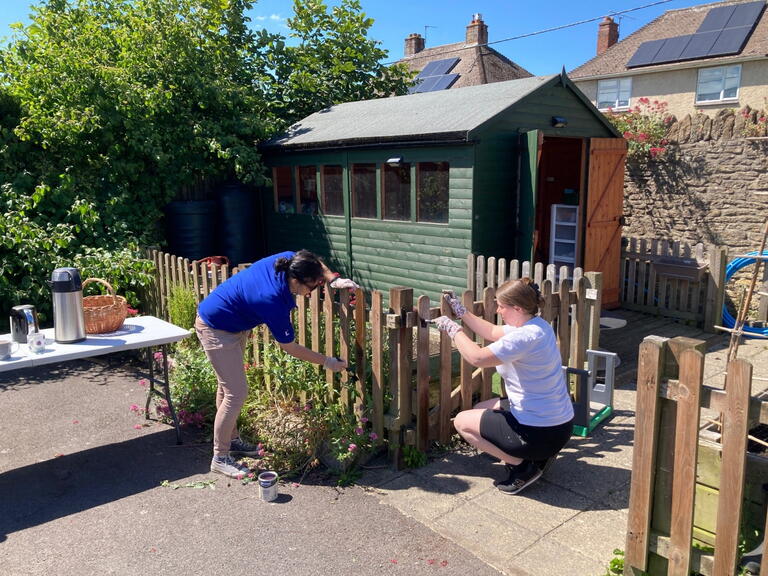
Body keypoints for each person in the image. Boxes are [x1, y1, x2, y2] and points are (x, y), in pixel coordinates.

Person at [195, 249, 359, 477]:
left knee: (227, 388)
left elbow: (314, 261)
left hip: (232, 323)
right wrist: (328, 361)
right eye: (311, 287)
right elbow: (290, 347)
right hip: (215, 328)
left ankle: (231, 441)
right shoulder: (272, 298)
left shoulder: (290, 259)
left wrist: (332, 278)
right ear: (296, 281)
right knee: (236, 392)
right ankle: (220, 457)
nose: (312, 292)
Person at [433, 278, 574, 495]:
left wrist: (454, 330)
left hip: (540, 433)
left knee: (462, 421)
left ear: (517, 308)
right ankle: (533, 454)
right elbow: (490, 331)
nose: (498, 310)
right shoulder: (537, 326)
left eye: (501, 306)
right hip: (559, 425)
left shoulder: (524, 337)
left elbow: (478, 357)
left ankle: (523, 467)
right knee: (482, 407)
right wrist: (462, 313)